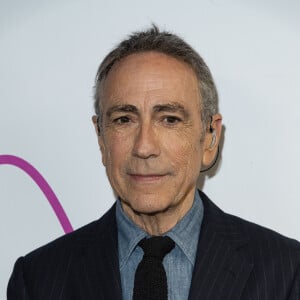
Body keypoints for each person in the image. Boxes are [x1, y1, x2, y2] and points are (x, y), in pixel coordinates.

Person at [7, 26, 300, 300]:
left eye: (169, 119)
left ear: (210, 138)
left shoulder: (286, 271)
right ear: (101, 139)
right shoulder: (37, 280)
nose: (144, 147)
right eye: (124, 119)